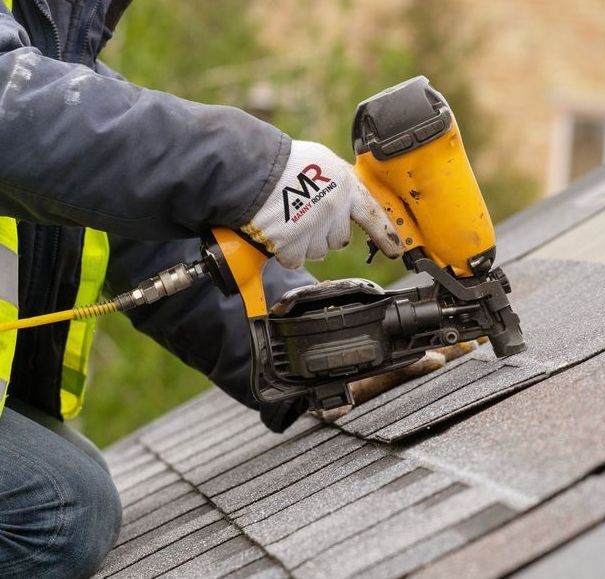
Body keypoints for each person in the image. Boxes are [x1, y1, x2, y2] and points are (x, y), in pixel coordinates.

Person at [0, 1, 404, 576]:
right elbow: (17, 115)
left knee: (67, 470)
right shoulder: (30, 73)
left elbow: (153, 237)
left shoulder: (44, 35)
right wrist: (251, 171)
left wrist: (313, 346)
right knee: (54, 509)